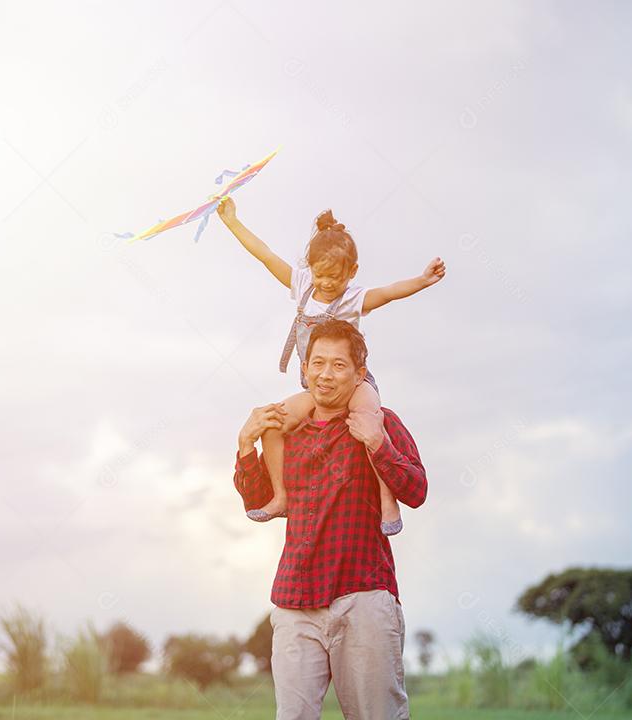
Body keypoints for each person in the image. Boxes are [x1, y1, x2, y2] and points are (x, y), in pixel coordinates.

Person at [234, 319, 427, 719]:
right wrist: (244, 445)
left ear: (359, 375)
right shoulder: (288, 432)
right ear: (304, 370)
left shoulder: (379, 421)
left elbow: (417, 490)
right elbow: (258, 501)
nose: (325, 374)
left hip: (363, 595)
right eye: (317, 363)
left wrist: (378, 444)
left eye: (338, 365)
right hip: (295, 600)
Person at [217, 196, 443, 534]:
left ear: (351, 272)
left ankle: (386, 499)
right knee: (274, 423)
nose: (326, 284)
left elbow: (391, 292)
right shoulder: (303, 286)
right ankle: (280, 496)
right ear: (310, 269)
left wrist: (422, 280)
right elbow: (264, 254)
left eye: (335, 278)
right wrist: (233, 222)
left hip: (354, 386)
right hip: (315, 387)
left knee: (369, 421)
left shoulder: (353, 297)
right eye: (320, 275)